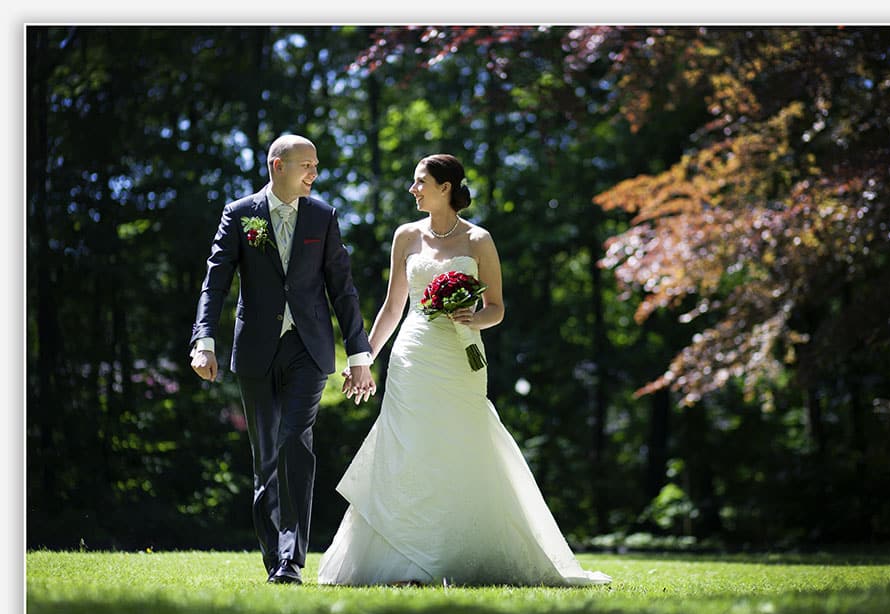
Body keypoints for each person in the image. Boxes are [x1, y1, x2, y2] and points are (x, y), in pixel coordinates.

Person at [318, 154, 611, 586]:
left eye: (420, 182)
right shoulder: (406, 236)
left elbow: (496, 309)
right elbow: (393, 305)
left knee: (462, 442)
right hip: (412, 357)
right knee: (407, 448)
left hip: (461, 356)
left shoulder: (479, 241)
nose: (412, 189)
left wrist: (474, 318)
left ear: (447, 187)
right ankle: (402, 561)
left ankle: (463, 552)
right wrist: (365, 358)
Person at [190, 134, 376, 585]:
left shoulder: (323, 216)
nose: (314, 173)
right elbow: (215, 282)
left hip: (308, 349)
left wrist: (359, 355)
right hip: (254, 348)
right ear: (278, 166)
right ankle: (274, 557)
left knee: (297, 441)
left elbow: (342, 289)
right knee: (265, 457)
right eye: (306, 165)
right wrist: (205, 341)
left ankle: (291, 560)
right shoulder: (240, 215)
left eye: (316, 165)